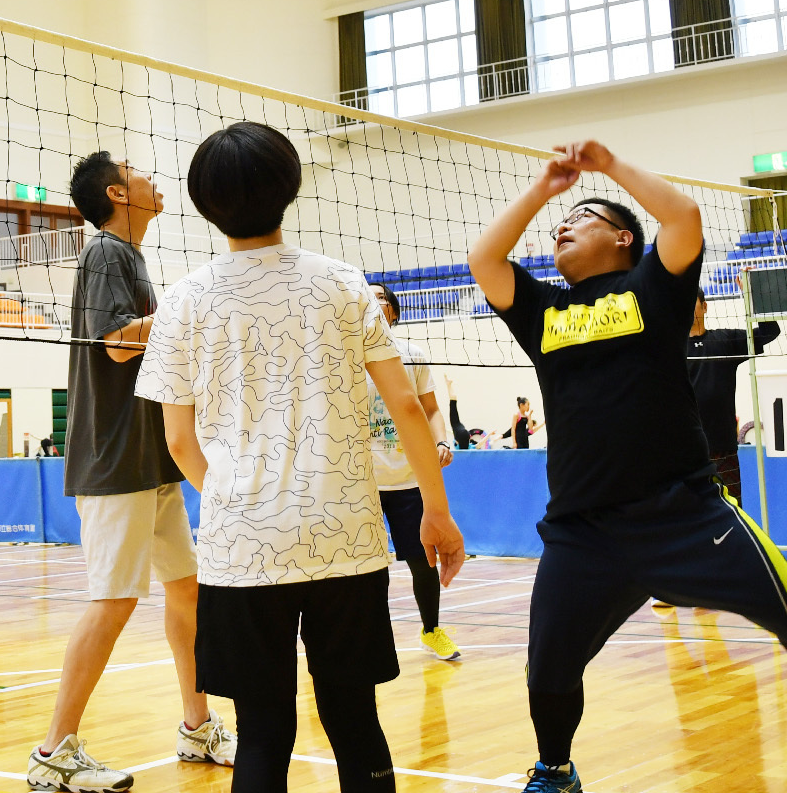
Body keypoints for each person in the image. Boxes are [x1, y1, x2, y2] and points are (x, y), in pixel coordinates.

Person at [466, 140, 787, 792]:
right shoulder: (542, 312)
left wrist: (609, 167)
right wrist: (542, 191)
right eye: (560, 223)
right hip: (584, 531)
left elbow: (684, 217)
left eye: (581, 219)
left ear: (622, 239)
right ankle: (555, 768)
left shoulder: (652, 289)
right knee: (548, 668)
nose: (562, 227)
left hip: (686, 514)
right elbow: (484, 259)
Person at [140, 122, 467, 792]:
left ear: (204, 204)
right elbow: (408, 408)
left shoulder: (182, 300)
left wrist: (234, 497)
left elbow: (178, 441)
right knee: (355, 721)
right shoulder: (345, 284)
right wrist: (435, 511)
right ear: (289, 188)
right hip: (343, 534)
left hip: (243, 546)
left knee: (263, 733)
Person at [27, 151, 235, 790]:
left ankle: (197, 725)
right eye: (134, 168)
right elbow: (119, 344)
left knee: (186, 588)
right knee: (114, 600)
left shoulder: (130, 257)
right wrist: (192, 305)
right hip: (115, 461)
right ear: (118, 193)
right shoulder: (106, 253)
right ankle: (54, 751)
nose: (149, 175)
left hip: (150, 458)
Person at [369, 283, 462, 661]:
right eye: (366, 296)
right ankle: (370, 640)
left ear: (393, 310)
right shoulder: (344, 354)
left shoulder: (411, 355)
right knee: (368, 569)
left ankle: (431, 631)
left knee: (423, 562)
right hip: (363, 483)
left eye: (380, 296)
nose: (372, 301)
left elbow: (432, 410)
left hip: (409, 479)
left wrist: (441, 441)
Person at [685, 291, 780, 504]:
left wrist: (754, 294)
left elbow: (770, 332)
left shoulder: (725, 340)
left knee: (731, 508)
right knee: (689, 513)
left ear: (705, 307)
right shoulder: (670, 349)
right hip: (686, 450)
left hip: (722, 447)